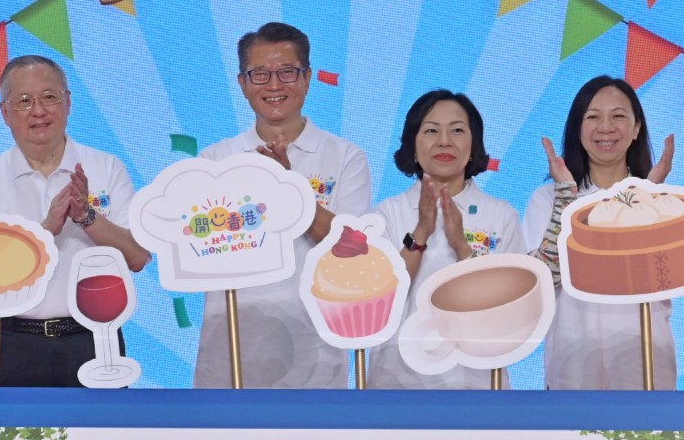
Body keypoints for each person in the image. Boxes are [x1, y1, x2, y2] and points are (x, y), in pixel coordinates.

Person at [194, 22, 371, 388]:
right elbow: (198, 252)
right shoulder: (214, 161)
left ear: (306, 79)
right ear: (243, 84)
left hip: (315, 348)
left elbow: (352, 251)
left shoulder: (345, 157)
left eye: (287, 72)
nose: (274, 85)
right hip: (232, 345)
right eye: (260, 74)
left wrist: (289, 186)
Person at [0, 55, 148, 386]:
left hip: (94, 340)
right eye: (24, 101)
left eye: (49, 97)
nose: (38, 111)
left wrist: (87, 215)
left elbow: (138, 257)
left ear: (68, 102)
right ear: (5, 113)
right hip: (11, 342)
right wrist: (46, 230)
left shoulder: (106, 167)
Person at [524, 76, 676, 389]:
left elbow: (665, 275)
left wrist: (646, 198)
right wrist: (566, 199)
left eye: (618, 116)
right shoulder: (548, 199)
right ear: (577, 128)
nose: (605, 127)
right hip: (573, 363)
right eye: (592, 117)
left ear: (636, 128)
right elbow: (541, 282)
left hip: (646, 361)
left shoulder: (663, 199)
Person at [370, 89, 526, 389]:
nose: (444, 141)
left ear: (473, 145)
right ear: (412, 146)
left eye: (457, 130)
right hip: (397, 381)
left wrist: (462, 247)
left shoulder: (501, 216)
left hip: (477, 382)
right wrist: (420, 233)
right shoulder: (386, 214)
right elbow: (378, 301)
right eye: (431, 130)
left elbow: (511, 310)